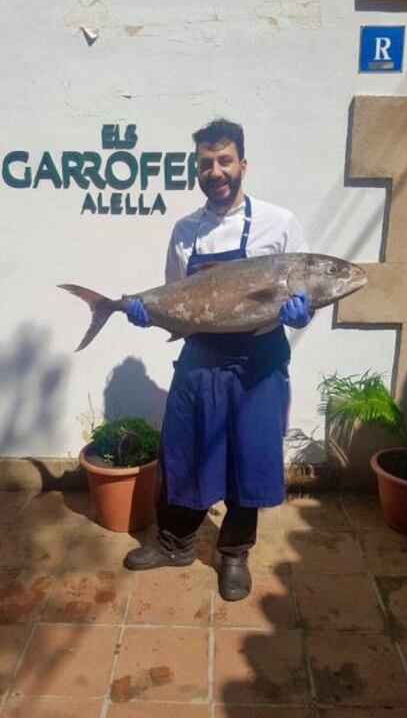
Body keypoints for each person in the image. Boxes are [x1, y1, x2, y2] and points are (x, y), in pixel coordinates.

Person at [122, 118, 312, 601]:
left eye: (225, 160)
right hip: (200, 355)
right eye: (206, 163)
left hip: (259, 359)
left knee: (249, 455)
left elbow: (301, 294)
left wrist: (301, 313)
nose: (216, 171)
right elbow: (176, 297)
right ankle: (175, 542)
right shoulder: (185, 230)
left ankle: (233, 554)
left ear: (242, 164)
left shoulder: (280, 222)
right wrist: (149, 314)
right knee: (182, 448)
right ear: (198, 170)